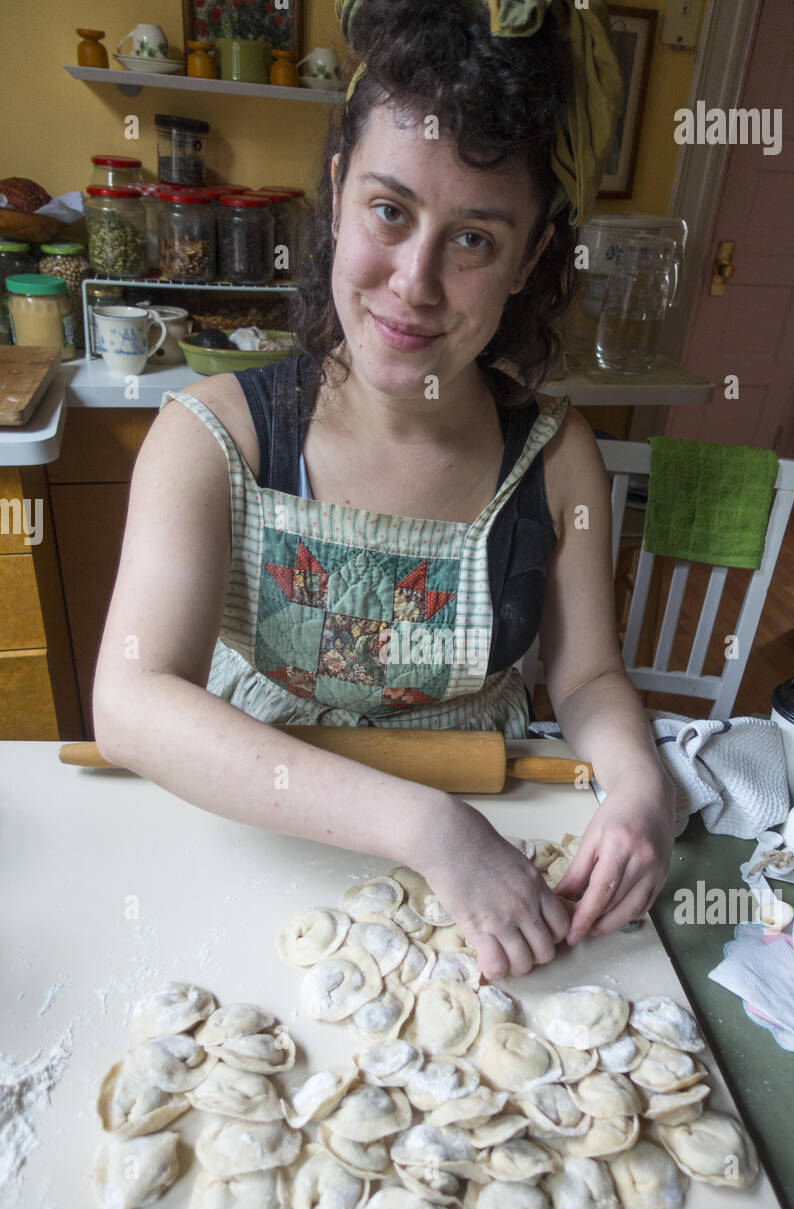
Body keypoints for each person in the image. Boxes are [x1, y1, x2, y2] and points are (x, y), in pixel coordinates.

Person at [93, 0, 675, 981]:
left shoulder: (553, 456)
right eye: (390, 212)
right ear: (336, 192)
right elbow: (135, 699)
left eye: (474, 240)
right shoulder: (208, 440)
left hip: (493, 873)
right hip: (255, 839)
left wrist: (637, 786)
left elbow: (584, 680)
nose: (413, 282)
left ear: (530, 257)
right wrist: (422, 824)